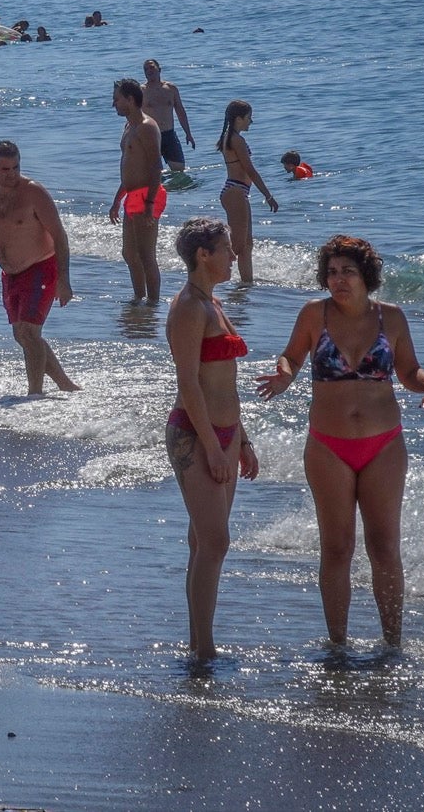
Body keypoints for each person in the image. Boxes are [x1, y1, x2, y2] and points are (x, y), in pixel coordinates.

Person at [256, 236, 424, 647]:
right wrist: (285, 373)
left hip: (384, 445)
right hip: (328, 446)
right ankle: (338, 644)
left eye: (348, 272)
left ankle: (392, 643)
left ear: (367, 276)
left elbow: (410, 373)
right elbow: (291, 356)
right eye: (332, 272)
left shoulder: (390, 318)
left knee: (384, 546)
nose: (337, 279)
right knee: (337, 548)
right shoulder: (313, 314)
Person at [165, 218, 259, 661]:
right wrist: (214, 446)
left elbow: (227, 383)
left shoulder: (213, 303)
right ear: (203, 255)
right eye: (227, 248)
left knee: (205, 542)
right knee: (214, 541)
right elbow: (189, 384)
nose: (234, 255)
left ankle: (199, 642)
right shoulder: (188, 307)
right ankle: (203, 648)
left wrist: (241, 440)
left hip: (224, 433)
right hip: (194, 434)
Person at [0, 141, 78, 394]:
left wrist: (64, 279)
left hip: (40, 267)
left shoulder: (34, 193)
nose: (12, 174)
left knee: (28, 331)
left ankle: (35, 393)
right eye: (5, 169)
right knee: (22, 335)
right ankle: (65, 385)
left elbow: (60, 236)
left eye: (16, 167)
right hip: (11, 274)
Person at [110, 78, 166, 303]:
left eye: (116, 99)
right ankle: (138, 297)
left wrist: (150, 202)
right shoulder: (129, 126)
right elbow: (130, 167)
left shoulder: (147, 126)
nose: (113, 104)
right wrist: (116, 200)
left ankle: (152, 302)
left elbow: (156, 167)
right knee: (129, 253)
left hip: (147, 195)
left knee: (145, 255)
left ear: (130, 100)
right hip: (132, 195)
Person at [216, 100, 278, 284]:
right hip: (235, 190)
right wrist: (268, 195)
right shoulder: (236, 139)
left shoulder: (231, 136)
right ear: (238, 118)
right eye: (249, 118)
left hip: (238, 191)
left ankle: (246, 284)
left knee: (247, 245)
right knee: (237, 245)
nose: (251, 122)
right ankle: (208, 270)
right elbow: (250, 170)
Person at [141, 58, 195, 177]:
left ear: (159, 70)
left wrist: (188, 133)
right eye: (146, 69)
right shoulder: (142, 91)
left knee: (179, 170)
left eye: (151, 67)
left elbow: (180, 112)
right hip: (151, 136)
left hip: (169, 134)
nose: (149, 71)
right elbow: (135, 115)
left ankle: (174, 192)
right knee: (152, 173)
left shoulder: (171, 89)